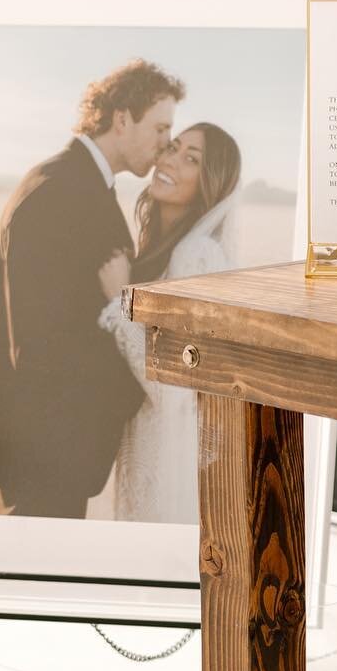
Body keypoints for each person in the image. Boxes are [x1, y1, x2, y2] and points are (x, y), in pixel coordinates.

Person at [0, 59, 184, 519]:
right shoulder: (59, 190)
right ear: (122, 118)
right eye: (161, 128)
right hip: (42, 456)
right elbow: (40, 345)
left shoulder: (78, 182)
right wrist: (138, 388)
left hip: (44, 450)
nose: (166, 145)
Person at [100, 124, 243, 524]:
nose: (170, 160)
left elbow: (177, 388)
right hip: (145, 447)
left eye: (191, 159)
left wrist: (118, 302)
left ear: (209, 182)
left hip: (168, 460)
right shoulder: (160, 248)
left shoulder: (197, 256)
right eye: (173, 148)